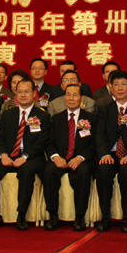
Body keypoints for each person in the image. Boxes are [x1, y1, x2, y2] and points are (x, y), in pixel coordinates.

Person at [0, 78, 51, 230]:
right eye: (20, 92)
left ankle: (21, 215)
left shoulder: (42, 116)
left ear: (34, 94)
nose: (23, 95)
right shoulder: (8, 114)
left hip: (32, 157)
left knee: (26, 171)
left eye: (26, 92)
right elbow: (0, 138)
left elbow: (42, 142)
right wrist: (3, 155)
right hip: (9, 155)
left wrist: (25, 157)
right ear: (15, 94)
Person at [94, 70, 127, 232]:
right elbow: (99, 134)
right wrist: (104, 154)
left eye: (124, 84)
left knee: (126, 170)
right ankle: (105, 217)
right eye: (116, 84)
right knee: (103, 170)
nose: (119, 88)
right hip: (110, 154)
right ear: (111, 88)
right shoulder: (104, 109)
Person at [43, 84, 97, 231]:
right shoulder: (56, 119)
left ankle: (79, 216)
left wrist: (80, 157)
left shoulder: (91, 118)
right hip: (60, 158)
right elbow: (49, 142)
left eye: (75, 95)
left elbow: (94, 144)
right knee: (48, 171)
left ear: (81, 98)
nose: (71, 98)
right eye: (68, 95)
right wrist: (55, 157)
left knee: (84, 173)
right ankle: (53, 215)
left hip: (81, 160)